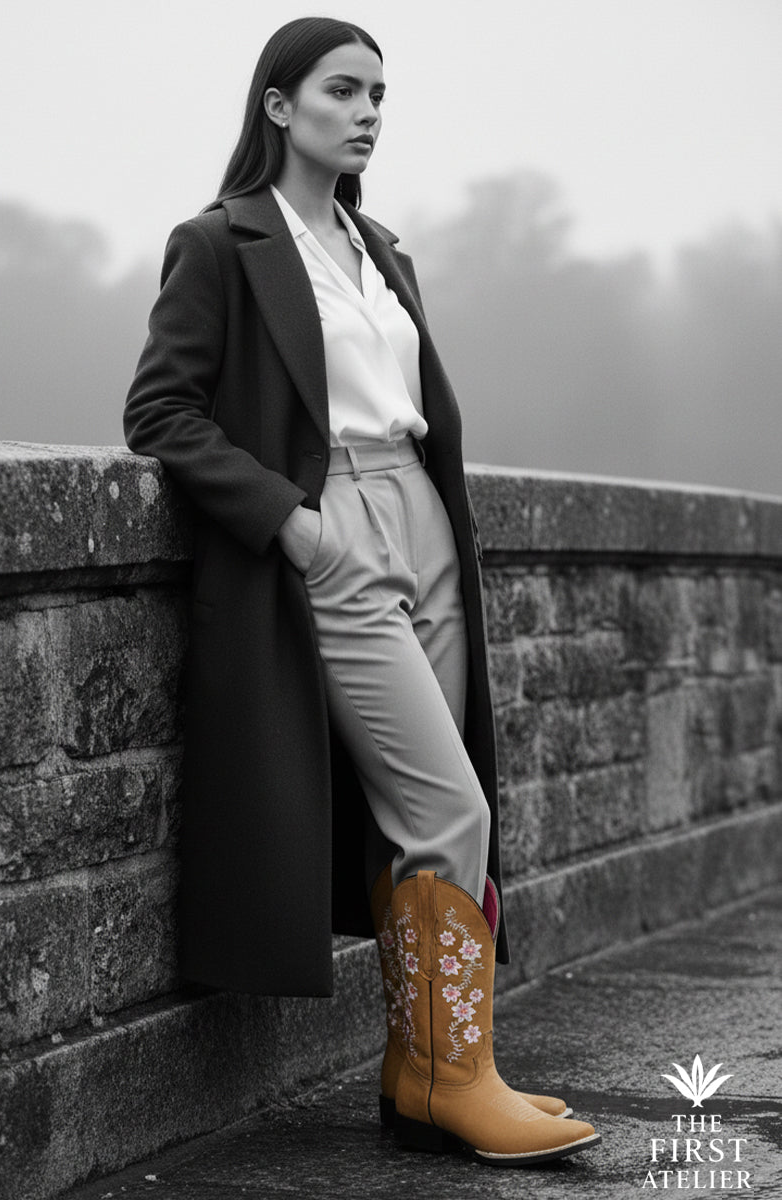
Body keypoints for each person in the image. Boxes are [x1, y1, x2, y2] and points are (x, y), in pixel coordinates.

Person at [124, 16, 600, 1167]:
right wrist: (292, 524)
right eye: (345, 90)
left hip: (425, 524)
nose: (371, 110)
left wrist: (423, 524)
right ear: (280, 106)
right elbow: (159, 413)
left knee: (422, 811)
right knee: (452, 807)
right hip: (331, 535)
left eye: (382, 93)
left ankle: (428, 1072)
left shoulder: (381, 247)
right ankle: (456, 1080)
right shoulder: (220, 243)